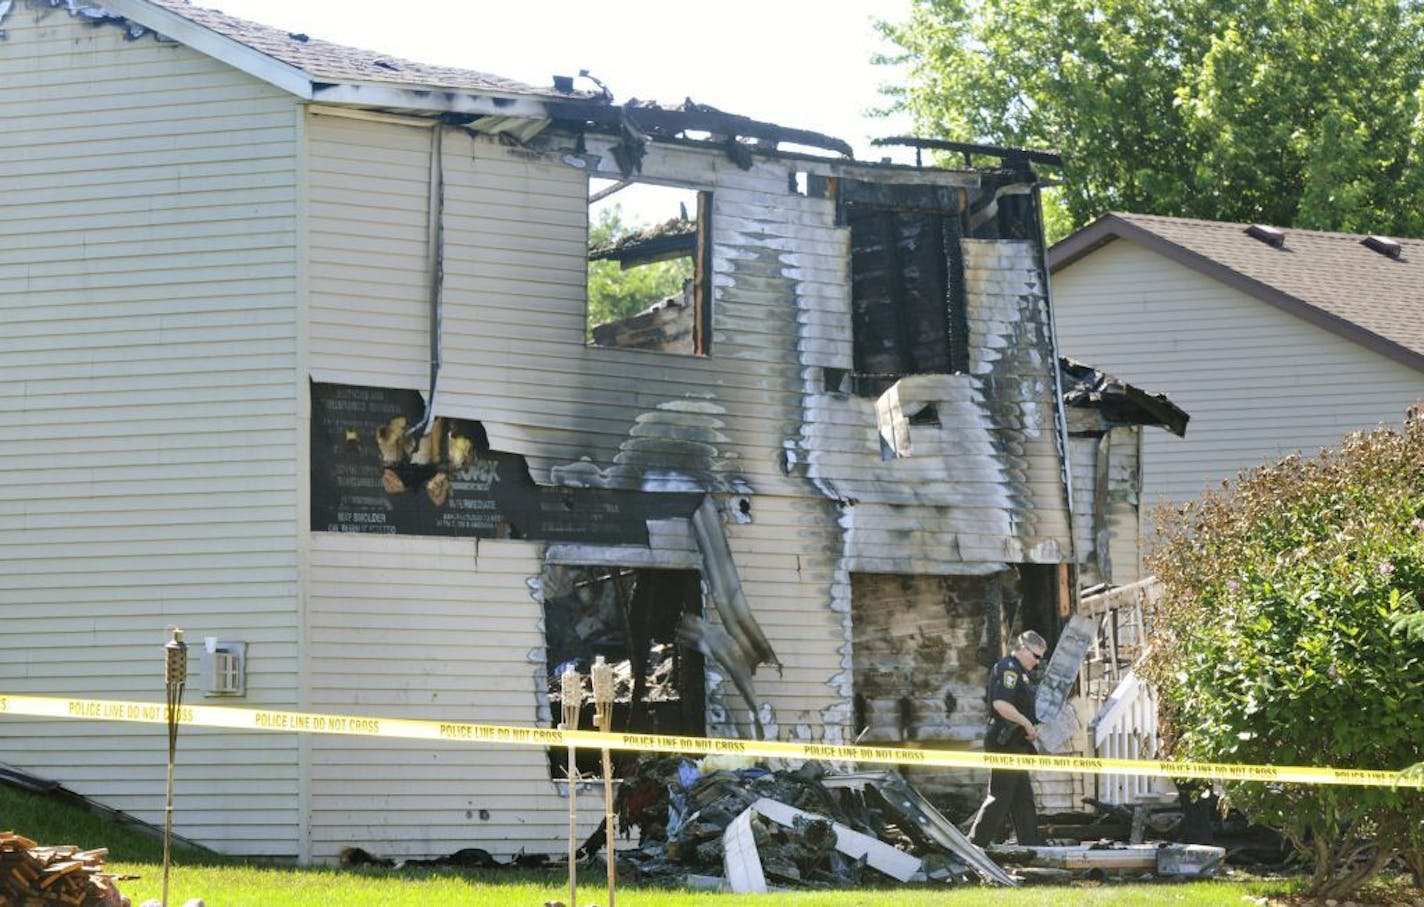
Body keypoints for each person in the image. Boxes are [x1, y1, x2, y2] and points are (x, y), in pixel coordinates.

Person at [969, 630, 1047, 847]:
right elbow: (1000, 704)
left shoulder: (1020, 672)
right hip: (1004, 741)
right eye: (1036, 656)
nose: (1038, 662)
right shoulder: (1008, 669)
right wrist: (1026, 723)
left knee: (1023, 798)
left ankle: (1031, 848)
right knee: (1001, 795)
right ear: (1023, 649)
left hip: (1016, 742)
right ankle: (975, 846)